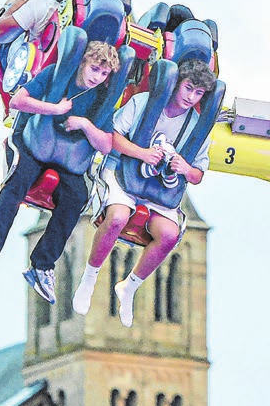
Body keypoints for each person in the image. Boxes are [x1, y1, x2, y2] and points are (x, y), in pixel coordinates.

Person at [70, 58, 218, 326]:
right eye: (188, 88)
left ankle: (129, 287)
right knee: (117, 217)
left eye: (198, 93)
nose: (191, 97)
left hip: (158, 188)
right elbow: (111, 138)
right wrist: (143, 154)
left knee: (170, 235)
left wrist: (184, 168)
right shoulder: (143, 103)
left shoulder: (197, 125)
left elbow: (198, 174)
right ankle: (89, 277)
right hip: (123, 174)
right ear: (176, 83)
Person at [0, 41, 120, 303]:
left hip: (66, 158)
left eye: (104, 74)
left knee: (77, 197)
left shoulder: (100, 97)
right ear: (83, 62)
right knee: (18, 181)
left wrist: (84, 124)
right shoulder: (55, 74)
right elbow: (18, 101)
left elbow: (106, 144)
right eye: (94, 69)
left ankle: (42, 265)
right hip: (34, 145)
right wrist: (54, 109)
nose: (97, 77)